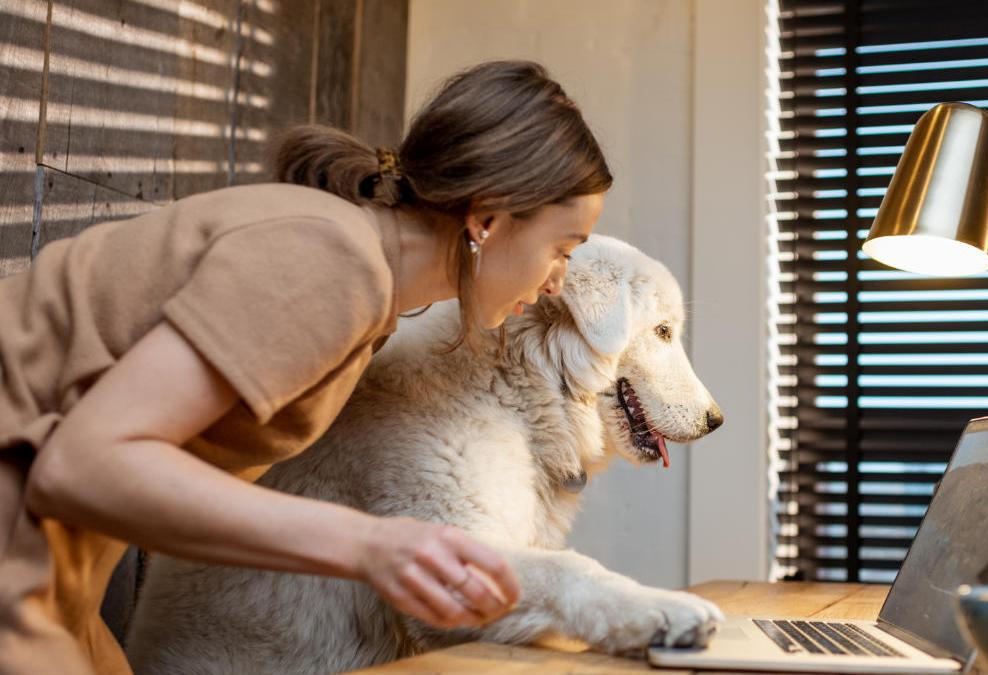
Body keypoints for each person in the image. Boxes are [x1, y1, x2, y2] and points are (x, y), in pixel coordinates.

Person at [0, 60, 611, 674]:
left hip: (60, 566)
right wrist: (371, 544)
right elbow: (83, 463)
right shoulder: (332, 262)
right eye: (562, 249)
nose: (557, 281)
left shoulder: (364, 292)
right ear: (488, 218)